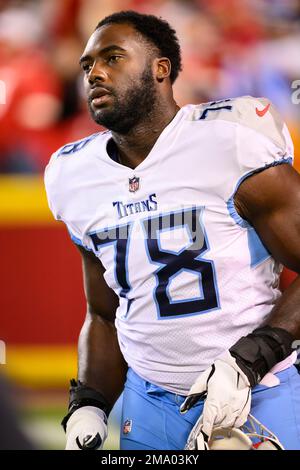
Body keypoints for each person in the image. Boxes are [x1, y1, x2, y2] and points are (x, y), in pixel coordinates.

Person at [44, 10, 300, 450]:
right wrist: (89, 399)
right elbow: (104, 314)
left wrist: (253, 357)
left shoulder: (231, 141)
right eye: (87, 64)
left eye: (113, 57)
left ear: (160, 69)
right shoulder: (73, 174)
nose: (95, 73)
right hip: (149, 400)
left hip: (260, 389)